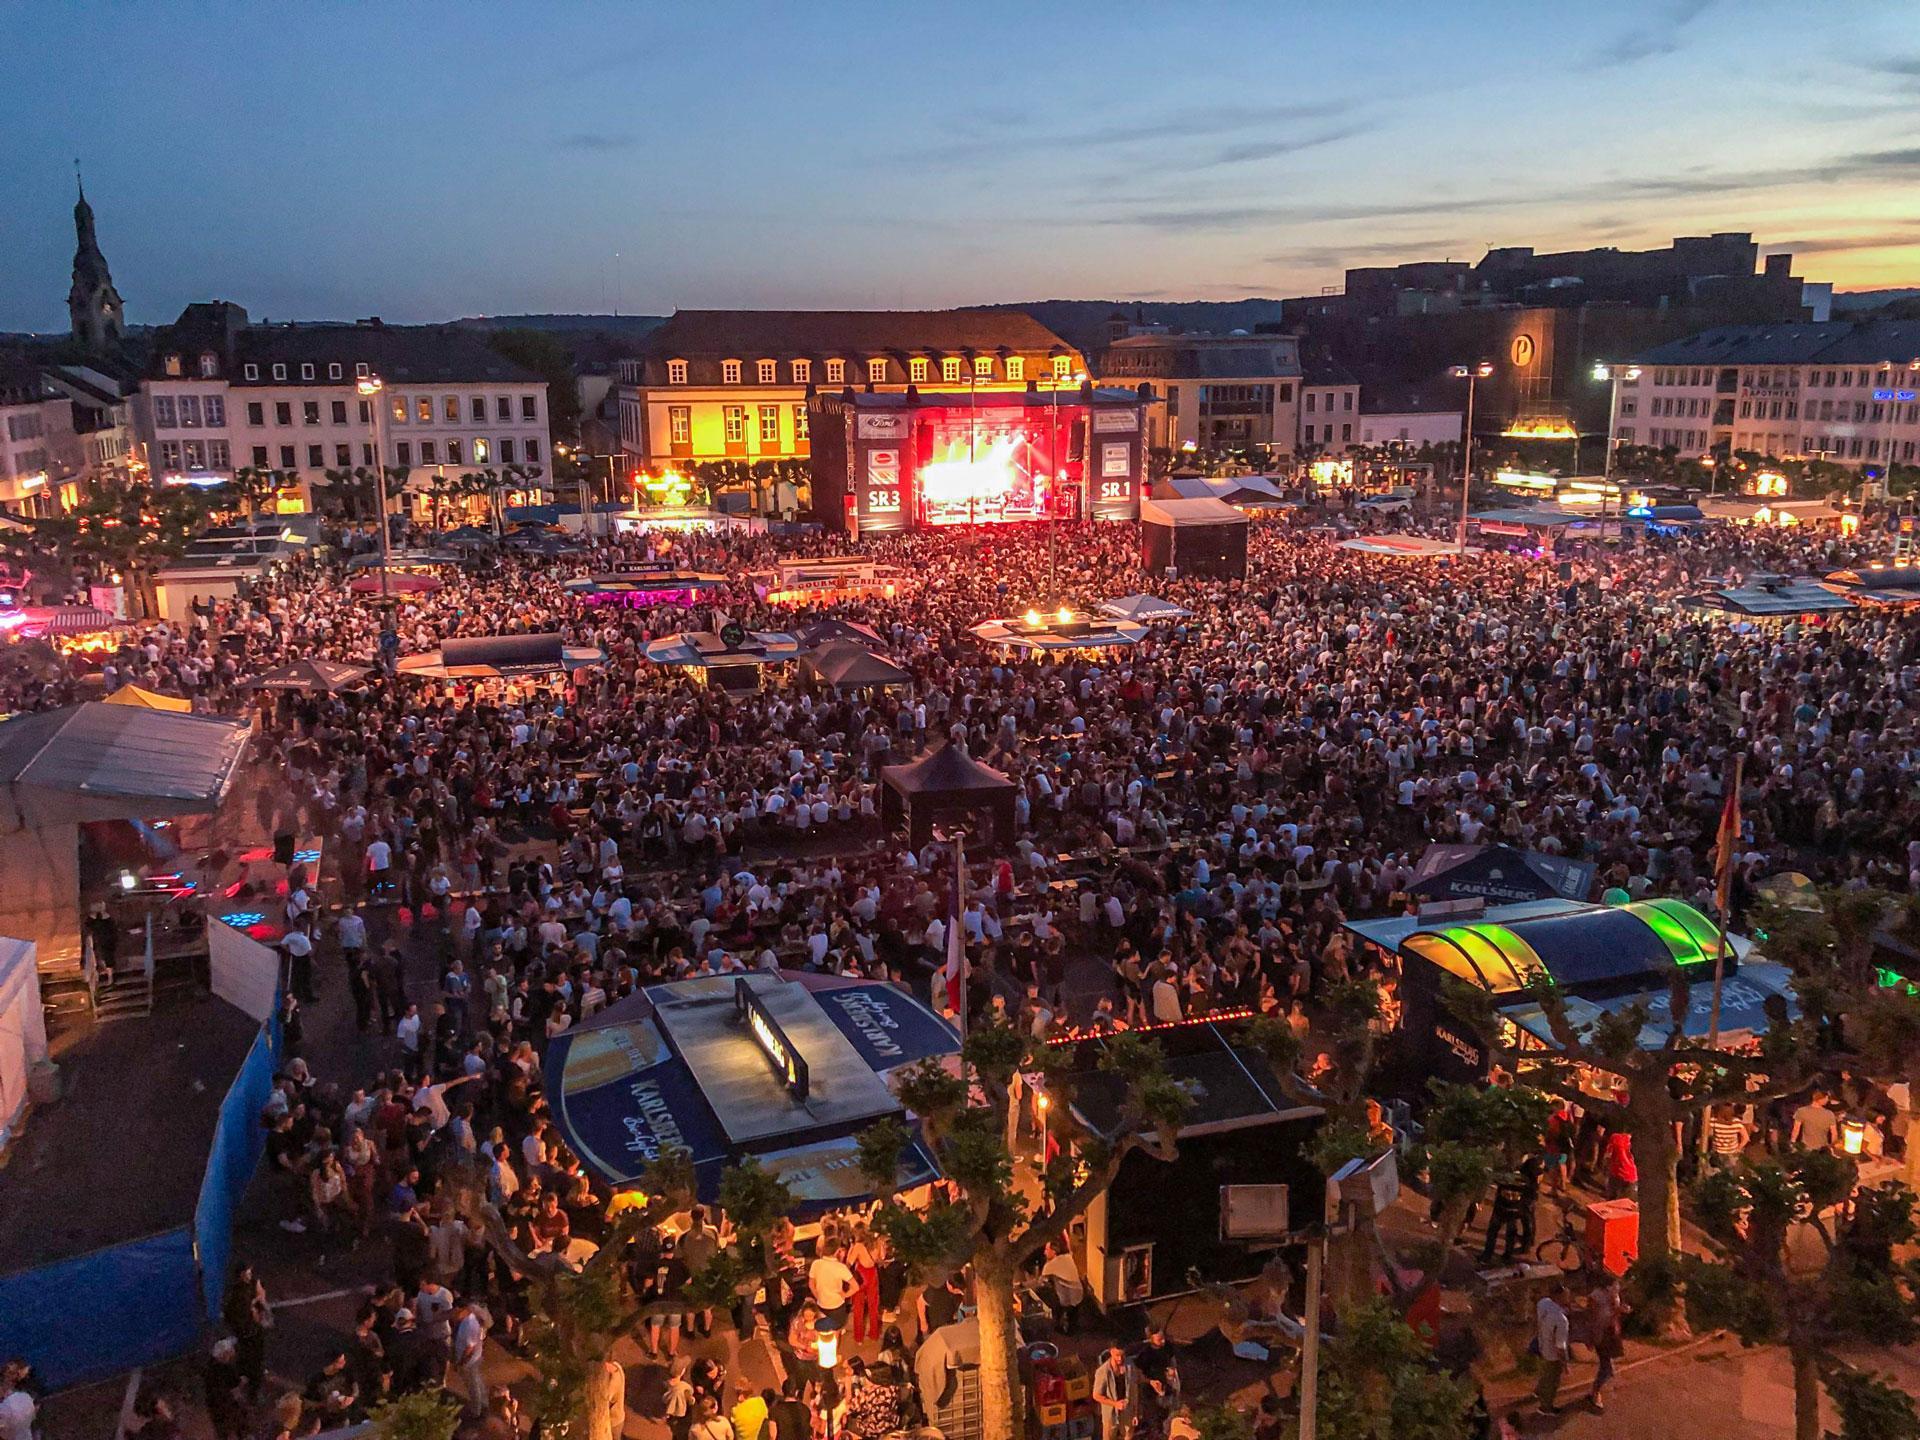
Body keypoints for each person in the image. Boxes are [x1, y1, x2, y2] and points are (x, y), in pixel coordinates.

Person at [1586, 1272, 1629, 1413]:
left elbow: (1614, 1313)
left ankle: (1594, 1391)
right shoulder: (1596, 1296)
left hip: (1611, 1333)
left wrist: (1620, 1310)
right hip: (1601, 1333)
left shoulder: (1614, 1294)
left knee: (1607, 1366)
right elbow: (1592, 1317)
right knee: (1607, 1369)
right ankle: (1595, 1393)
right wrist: (1590, 1337)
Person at [1534, 1279, 1571, 1416]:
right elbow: (1560, 1346)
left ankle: (1538, 1391)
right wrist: (1565, 1364)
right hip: (1553, 1354)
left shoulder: (1543, 1303)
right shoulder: (1561, 1321)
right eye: (1565, 1295)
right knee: (1553, 1380)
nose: (1567, 1297)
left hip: (1542, 1343)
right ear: (1558, 1296)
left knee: (1545, 1372)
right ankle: (1546, 1407)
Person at [1092, 1345, 1137, 1440]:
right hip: (1110, 1413)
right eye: (1117, 1355)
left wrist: (1150, 1381)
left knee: (1128, 1434)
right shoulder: (1103, 1371)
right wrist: (1115, 1404)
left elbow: (1136, 1383)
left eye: (1122, 1355)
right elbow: (1096, 1395)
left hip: (1127, 1409)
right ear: (1111, 1352)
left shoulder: (1129, 1365)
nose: (1120, 1358)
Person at [1041, 1240, 1084, 1333]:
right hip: (1078, 1292)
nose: (1044, 1252)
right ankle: (1071, 1328)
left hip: (1067, 1296)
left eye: (1046, 1250)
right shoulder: (1067, 1257)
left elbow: (1041, 1281)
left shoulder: (1050, 1265)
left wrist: (1022, 1285)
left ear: (1053, 1251)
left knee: (1059, 1307)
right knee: (1073, 1315)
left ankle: (1062, 1328)